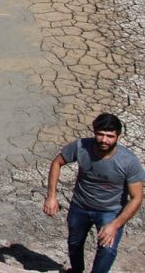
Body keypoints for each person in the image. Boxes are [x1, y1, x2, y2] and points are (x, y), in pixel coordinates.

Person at [43, 113, 144, 273]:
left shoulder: (128, 161)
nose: (104, 140)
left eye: (110, 136)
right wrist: (51, 196)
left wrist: (115, 225)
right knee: (74, 243)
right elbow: (57, 162)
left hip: (110, 212)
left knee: (107, 250)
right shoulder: (81, 147)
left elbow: (137, 197)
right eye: (100, 134)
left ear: (118, 136)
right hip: (80, 206)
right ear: (94, 132)